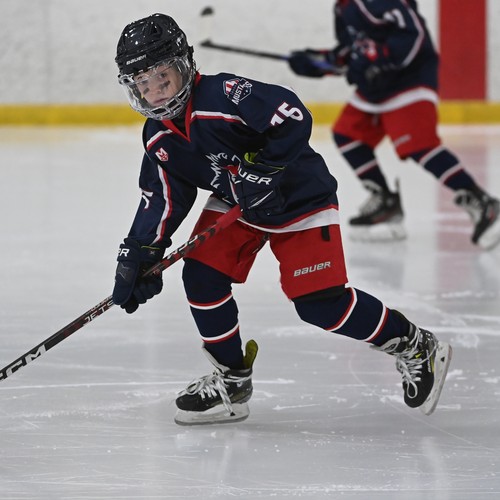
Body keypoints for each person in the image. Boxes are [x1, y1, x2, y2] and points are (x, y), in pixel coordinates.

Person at [111, 13, 452, 426]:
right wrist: (140, 252)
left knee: (321, 306)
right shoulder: (158, 136)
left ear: (184, 65)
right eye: (143, 83)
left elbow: (292, 115)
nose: (155, 91)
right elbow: (165, 198)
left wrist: (264, 169)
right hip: (238, 203)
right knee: (201, 277)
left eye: (162, 77)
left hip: (298, 196)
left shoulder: (225, 96)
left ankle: (414, 345)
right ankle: (232, 381)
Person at [288, 0, 500, 248]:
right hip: (375, 89)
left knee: (420, 145)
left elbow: (413, 35)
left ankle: (481, 201)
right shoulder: (343, 6)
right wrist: (319, 62)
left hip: (409, 81)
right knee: (348, 135)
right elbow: (353, 51)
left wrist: (377, 61)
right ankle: (385, 202)